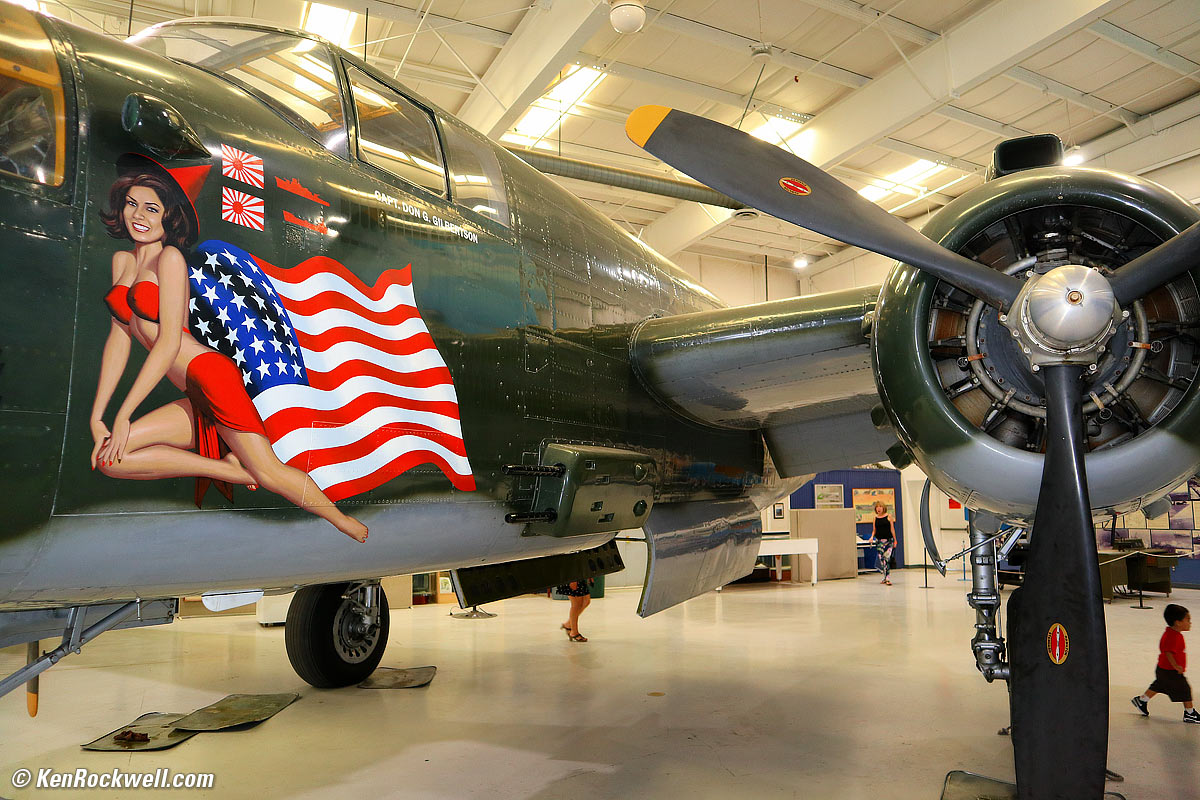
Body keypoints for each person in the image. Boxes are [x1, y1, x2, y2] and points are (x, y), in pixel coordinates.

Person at [90, 154, 368, 543]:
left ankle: (347, 523)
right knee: (110, 459)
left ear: (168, 217)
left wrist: (125, 413)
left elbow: (169, 342)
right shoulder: (123, 261)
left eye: (151, 208)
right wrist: (99, 415)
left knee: (270, 471)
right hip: (192, 391)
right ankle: (233, 471)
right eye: (132, 203)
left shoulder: (170, 260)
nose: (139, 215)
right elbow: (118, 338)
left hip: (209, 375)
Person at [1131, 603, 1198, 723]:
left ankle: (1142, 700)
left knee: (1159, 685)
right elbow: (1168, 653)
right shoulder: (1172, 637)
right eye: (1188, 620)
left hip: (1164, 669)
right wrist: (1176, 666)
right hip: (1170, 671)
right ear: (1178, 622)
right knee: (1185, 689)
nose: (1190, 622)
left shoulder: (1175, 634)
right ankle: (1190, 713)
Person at [867, 501, 897, 585]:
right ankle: (885, 577)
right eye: (877, 507)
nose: (879, 508)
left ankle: (887, 578)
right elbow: (874, 530)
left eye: (880, 506)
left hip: (889, 541)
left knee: (886, 559)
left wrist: (895, 540)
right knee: (882, 560)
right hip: (879, 541)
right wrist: (871, 537)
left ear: (883, 508)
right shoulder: (875, 518)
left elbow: (892, 529)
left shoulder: (888, 516)